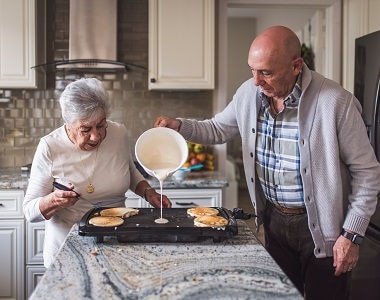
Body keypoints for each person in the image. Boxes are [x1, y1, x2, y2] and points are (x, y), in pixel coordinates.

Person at [154, 26, 380, 299]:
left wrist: (351, 234)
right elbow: (217, 129)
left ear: (296, 66)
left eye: (266, 72)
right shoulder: (249, 94)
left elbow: (366, 172)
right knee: (279, 295)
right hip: (274, 221)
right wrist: (179, 126)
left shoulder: (336, 102)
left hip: (325, 229)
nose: (256, 81)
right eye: (252, 70)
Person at [24, 77, 171, 268]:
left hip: (117, 242)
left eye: (101, 125)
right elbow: (29, 211)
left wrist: (149, 193)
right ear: (68, 124)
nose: (96, 136)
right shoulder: (50, 146)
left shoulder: (119, 133)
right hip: (68, 249)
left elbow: (130, 171)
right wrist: (53, 200)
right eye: (85, 129)